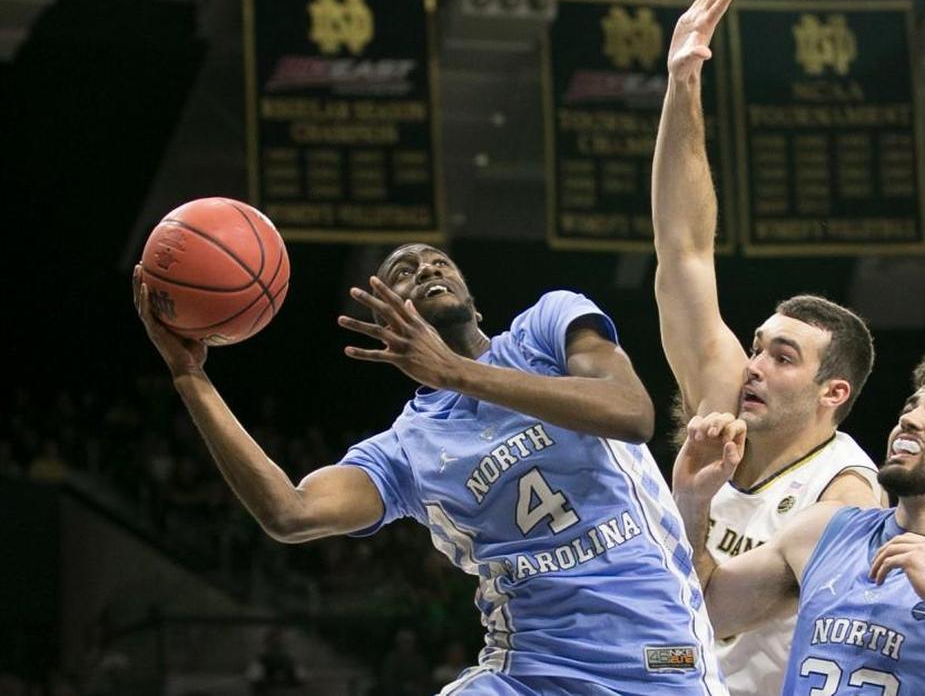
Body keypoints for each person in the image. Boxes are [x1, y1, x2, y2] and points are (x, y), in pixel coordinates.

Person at [132, 244, 725, 696]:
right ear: (387, 325)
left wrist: (456, 372)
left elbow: (633, 413)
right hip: (528, 668)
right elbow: (290, 513)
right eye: (404, 272)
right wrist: (191, 377)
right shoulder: (405, 450)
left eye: (438, 261)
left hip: (653, 650)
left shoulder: (546, 328)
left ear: (472, 294)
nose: (426, 268)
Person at [651, 0, 883, 691]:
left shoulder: (846, 496)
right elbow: (685, 248)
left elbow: (715, 612)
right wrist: (682, 82)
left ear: (832, 391)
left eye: (784, 357)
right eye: (758, 345)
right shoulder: (725, 395)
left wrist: (689, 509)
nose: (753, 365)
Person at [674, 351, 925, 695]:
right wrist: (693, 500)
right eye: (911, 407)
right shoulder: (824, 529)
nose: (910, 419)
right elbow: (707, 608)